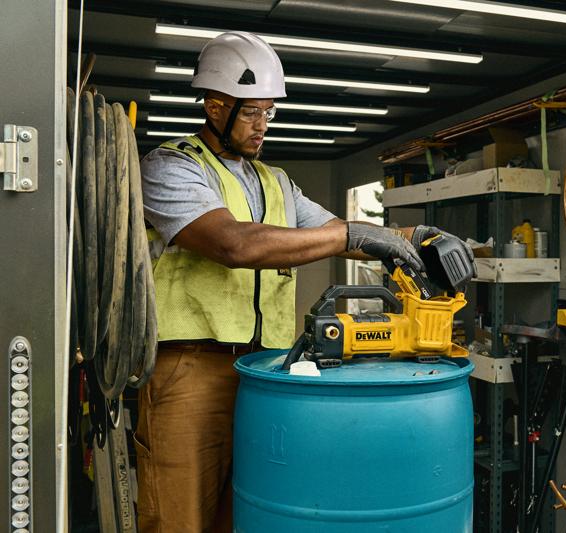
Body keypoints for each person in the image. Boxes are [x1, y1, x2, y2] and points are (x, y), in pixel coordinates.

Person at [134, 31, 473, 532]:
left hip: (268, 374)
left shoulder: (277, 183)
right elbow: (234, 244)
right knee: (180, 519)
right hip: (189, 372)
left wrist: (417, 235)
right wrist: (350, 235)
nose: (262, 125)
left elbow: (348, 234)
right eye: (252, 112)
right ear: (214, 105)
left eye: (269, 111)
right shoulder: (171, 167)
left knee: (253, 514)